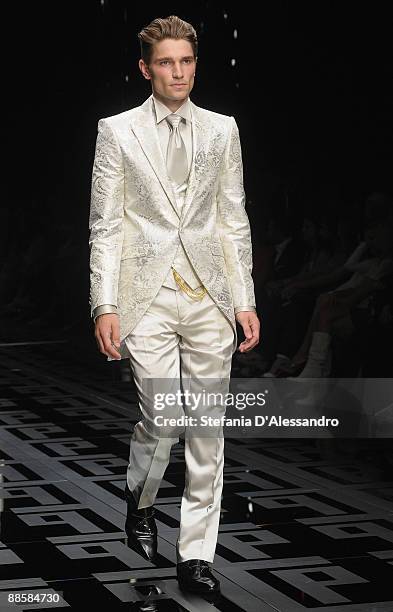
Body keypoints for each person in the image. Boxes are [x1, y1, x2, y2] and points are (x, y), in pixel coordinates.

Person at [88, 15, 260, 596]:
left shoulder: (222, 130)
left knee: (207, 430)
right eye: (166, 62)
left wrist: (245, 299)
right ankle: (139, 492)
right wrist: (103, 303)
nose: (178, 72)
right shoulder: (117, 131)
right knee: (162, 420)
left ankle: (195, 557)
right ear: (146, 68)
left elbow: (234, 219)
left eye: (186, 61)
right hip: (147, 296)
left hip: (210, 296)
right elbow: (106, 226)